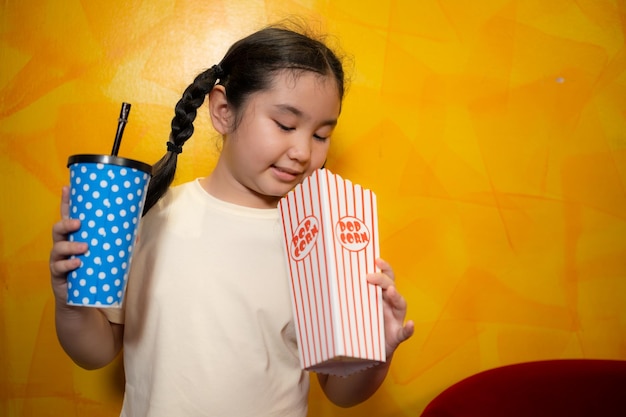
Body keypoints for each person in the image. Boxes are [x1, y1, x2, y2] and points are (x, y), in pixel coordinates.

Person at [50, 22, 414, 416]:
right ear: (223, 110)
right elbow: (96, 352)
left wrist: (380, 348)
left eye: (321, 135)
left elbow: (340, 392)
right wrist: (70, 304)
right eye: (286, 125)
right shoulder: (152, 215)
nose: (302, 152)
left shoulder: (318, 242)